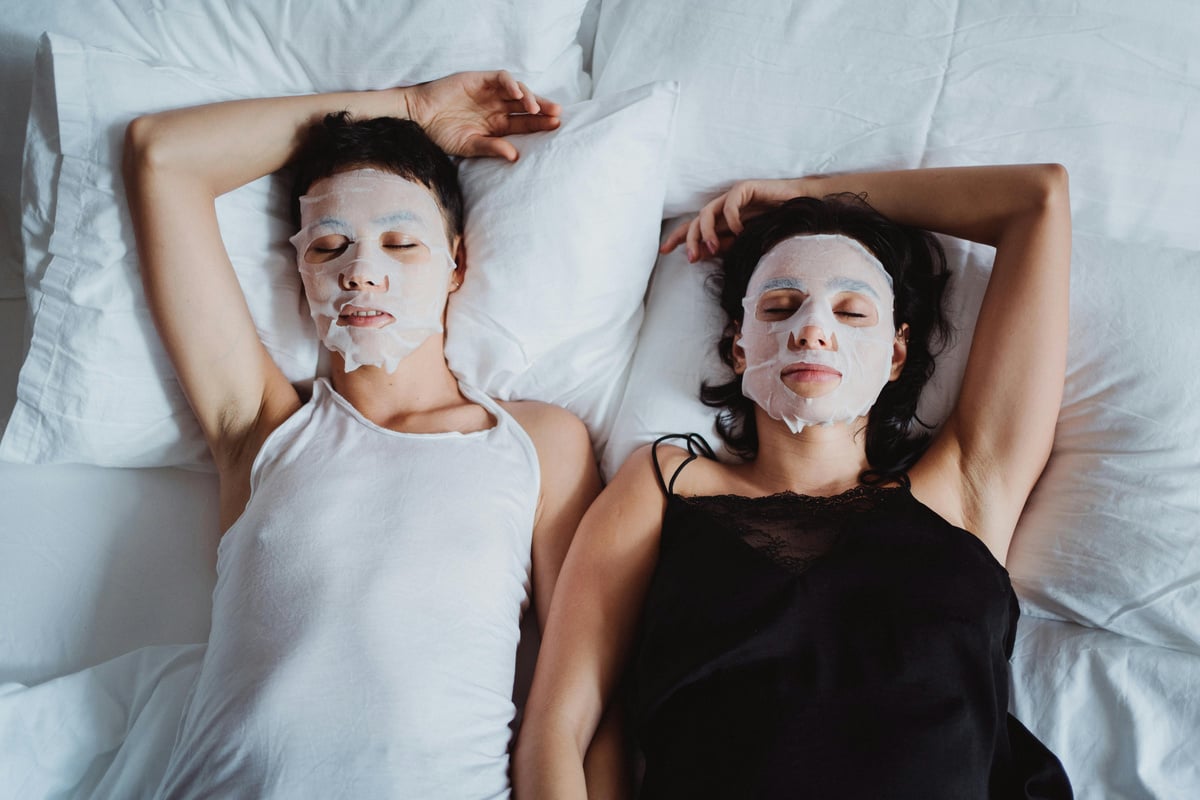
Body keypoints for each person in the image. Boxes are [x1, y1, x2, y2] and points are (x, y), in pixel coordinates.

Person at [514, 166, 1075, 798]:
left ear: (896, 353)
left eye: (851, 311)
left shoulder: (968, 486)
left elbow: (1038, 201)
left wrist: (811, 190)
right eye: (780, 306)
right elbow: (557, 730)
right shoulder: (665, 485)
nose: (812, 328)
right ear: (739, 348)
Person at [123, 71, 611, 798]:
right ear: (301, 274)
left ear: (457, 265)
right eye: (329, 247)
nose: (362, 272)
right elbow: (161, 154)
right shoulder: (261, 427)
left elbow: (589, 703)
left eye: (399, 242)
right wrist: (409, 109)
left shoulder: (538, 444)